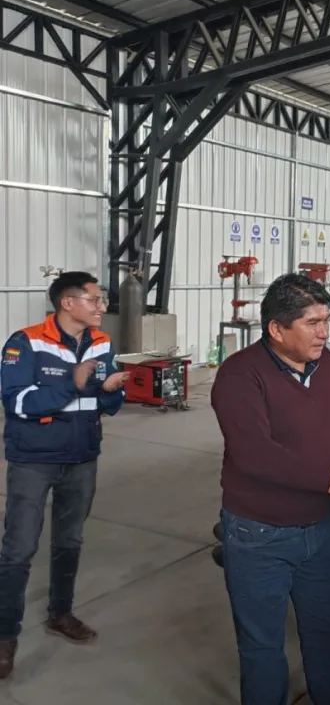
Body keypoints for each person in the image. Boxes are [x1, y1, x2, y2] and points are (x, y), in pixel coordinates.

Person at [211, 273, 330, 705]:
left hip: (321, 530)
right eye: (312, 322)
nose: (324, 332)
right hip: (259, 535)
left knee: (327, 634)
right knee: (262, 647)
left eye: (326, 320)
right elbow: (254, 454)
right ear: (277, 329)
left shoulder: (326, 365)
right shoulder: (239, 375)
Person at [0, 272, 129, 678]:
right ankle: (5, 635)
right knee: (19, 549)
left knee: (69, 541)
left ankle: (61, 613)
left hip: (82, 457)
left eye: (102, 299)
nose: (102, 306)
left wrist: (109, 389)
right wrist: (73, 386)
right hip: (33, 461)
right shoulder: (25, 342)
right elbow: (17, 401)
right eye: (95, 299)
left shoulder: (102, 342)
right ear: (68, 303)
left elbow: (107, 402)